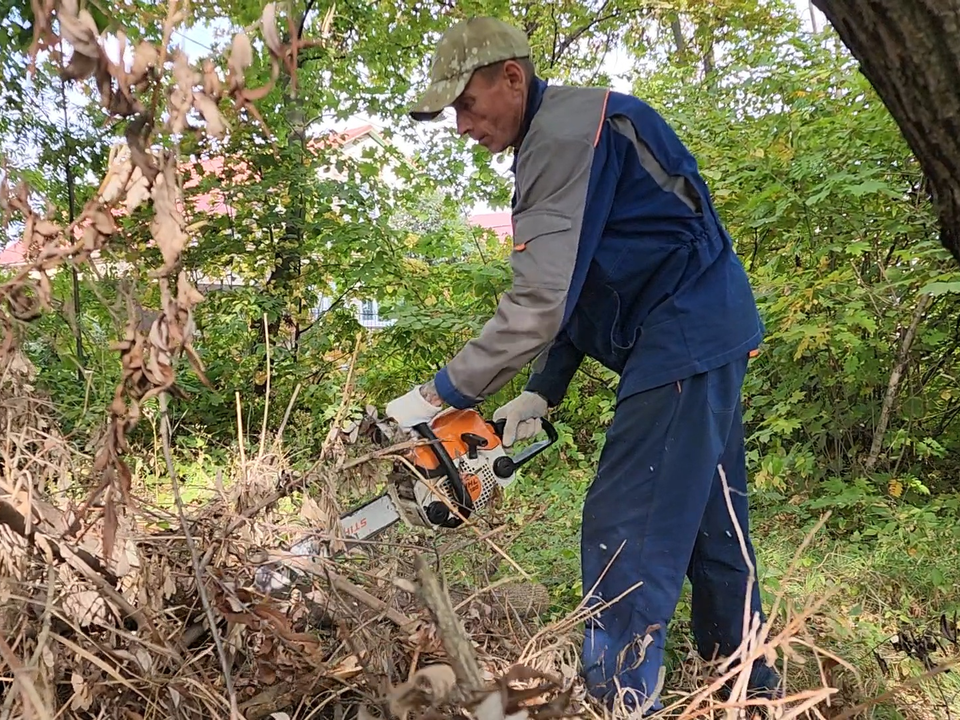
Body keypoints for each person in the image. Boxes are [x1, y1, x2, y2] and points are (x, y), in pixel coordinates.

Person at [384, 16, 782, 713]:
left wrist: (440, 394)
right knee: (714, 523)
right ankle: (750, 687)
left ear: (512, 76)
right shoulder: (567, 132)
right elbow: (585, 281)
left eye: (466, 104)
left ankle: (620, 699)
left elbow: (539, 302)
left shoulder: (567, 135)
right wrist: (543, 389)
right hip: (702, 330)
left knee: (627, 523)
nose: (461, 126)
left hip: (681, 333)